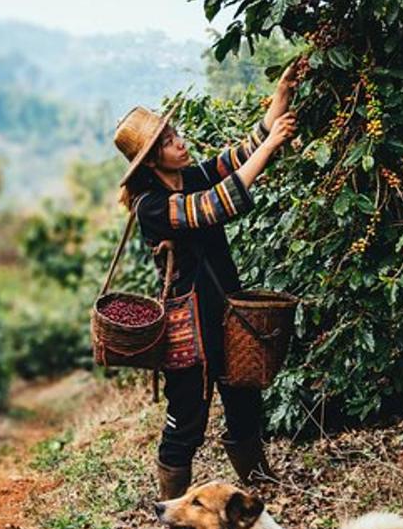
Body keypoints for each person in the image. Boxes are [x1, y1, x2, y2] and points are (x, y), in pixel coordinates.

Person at [112, 62, 300, 500]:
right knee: (187, 416)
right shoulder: (152, 205)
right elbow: (214, 206)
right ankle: (171, 507)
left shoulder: (189, 175)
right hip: (189, 326)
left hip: (225, 313)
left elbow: (238, 155)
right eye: (171, 141)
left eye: (176, 135)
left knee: (243, 400)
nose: (182, 142)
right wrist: (271, 146)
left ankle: (257, 486)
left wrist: (279, 99)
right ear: (153, 158)